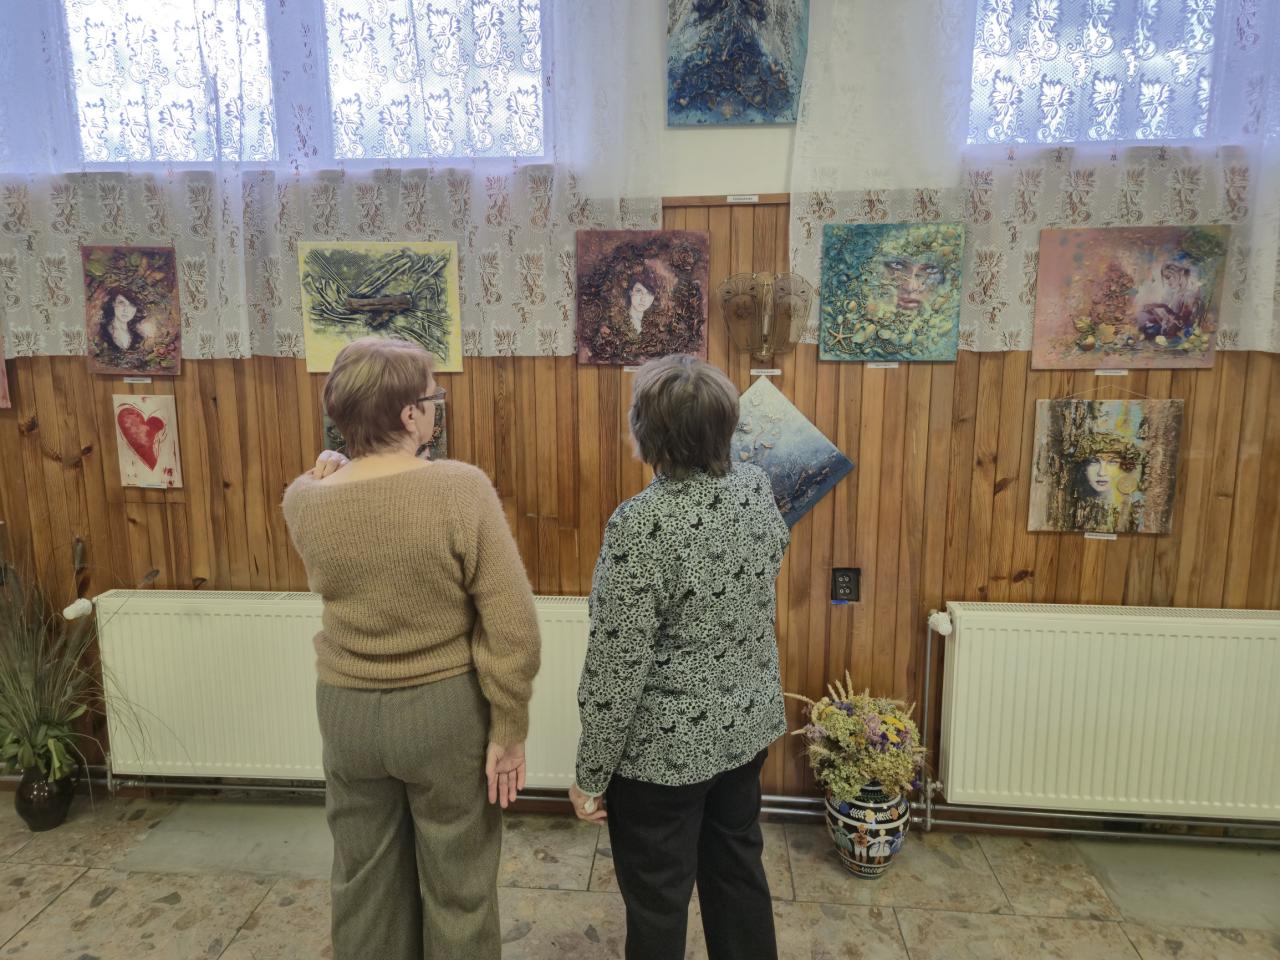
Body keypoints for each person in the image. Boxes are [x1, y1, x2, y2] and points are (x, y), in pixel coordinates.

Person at [282, 336, 541, 960]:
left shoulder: (304, 499)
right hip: (442, 712)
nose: (434, 408)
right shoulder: (459, 489)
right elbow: (513, 626)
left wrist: (332, 462)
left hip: (346, 713)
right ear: (408, 415)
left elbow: (336, 493)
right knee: (460, 888)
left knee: (364, 883)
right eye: (432, 398)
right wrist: (509, 727)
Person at [569, 354, 790, 960]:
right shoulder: (755, 488)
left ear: (648, 432)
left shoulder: (641, 525)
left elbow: (615, 669)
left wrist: (590, 775)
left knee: (658, 901)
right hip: (744, 731)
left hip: (662, 759)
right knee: (738, 874)